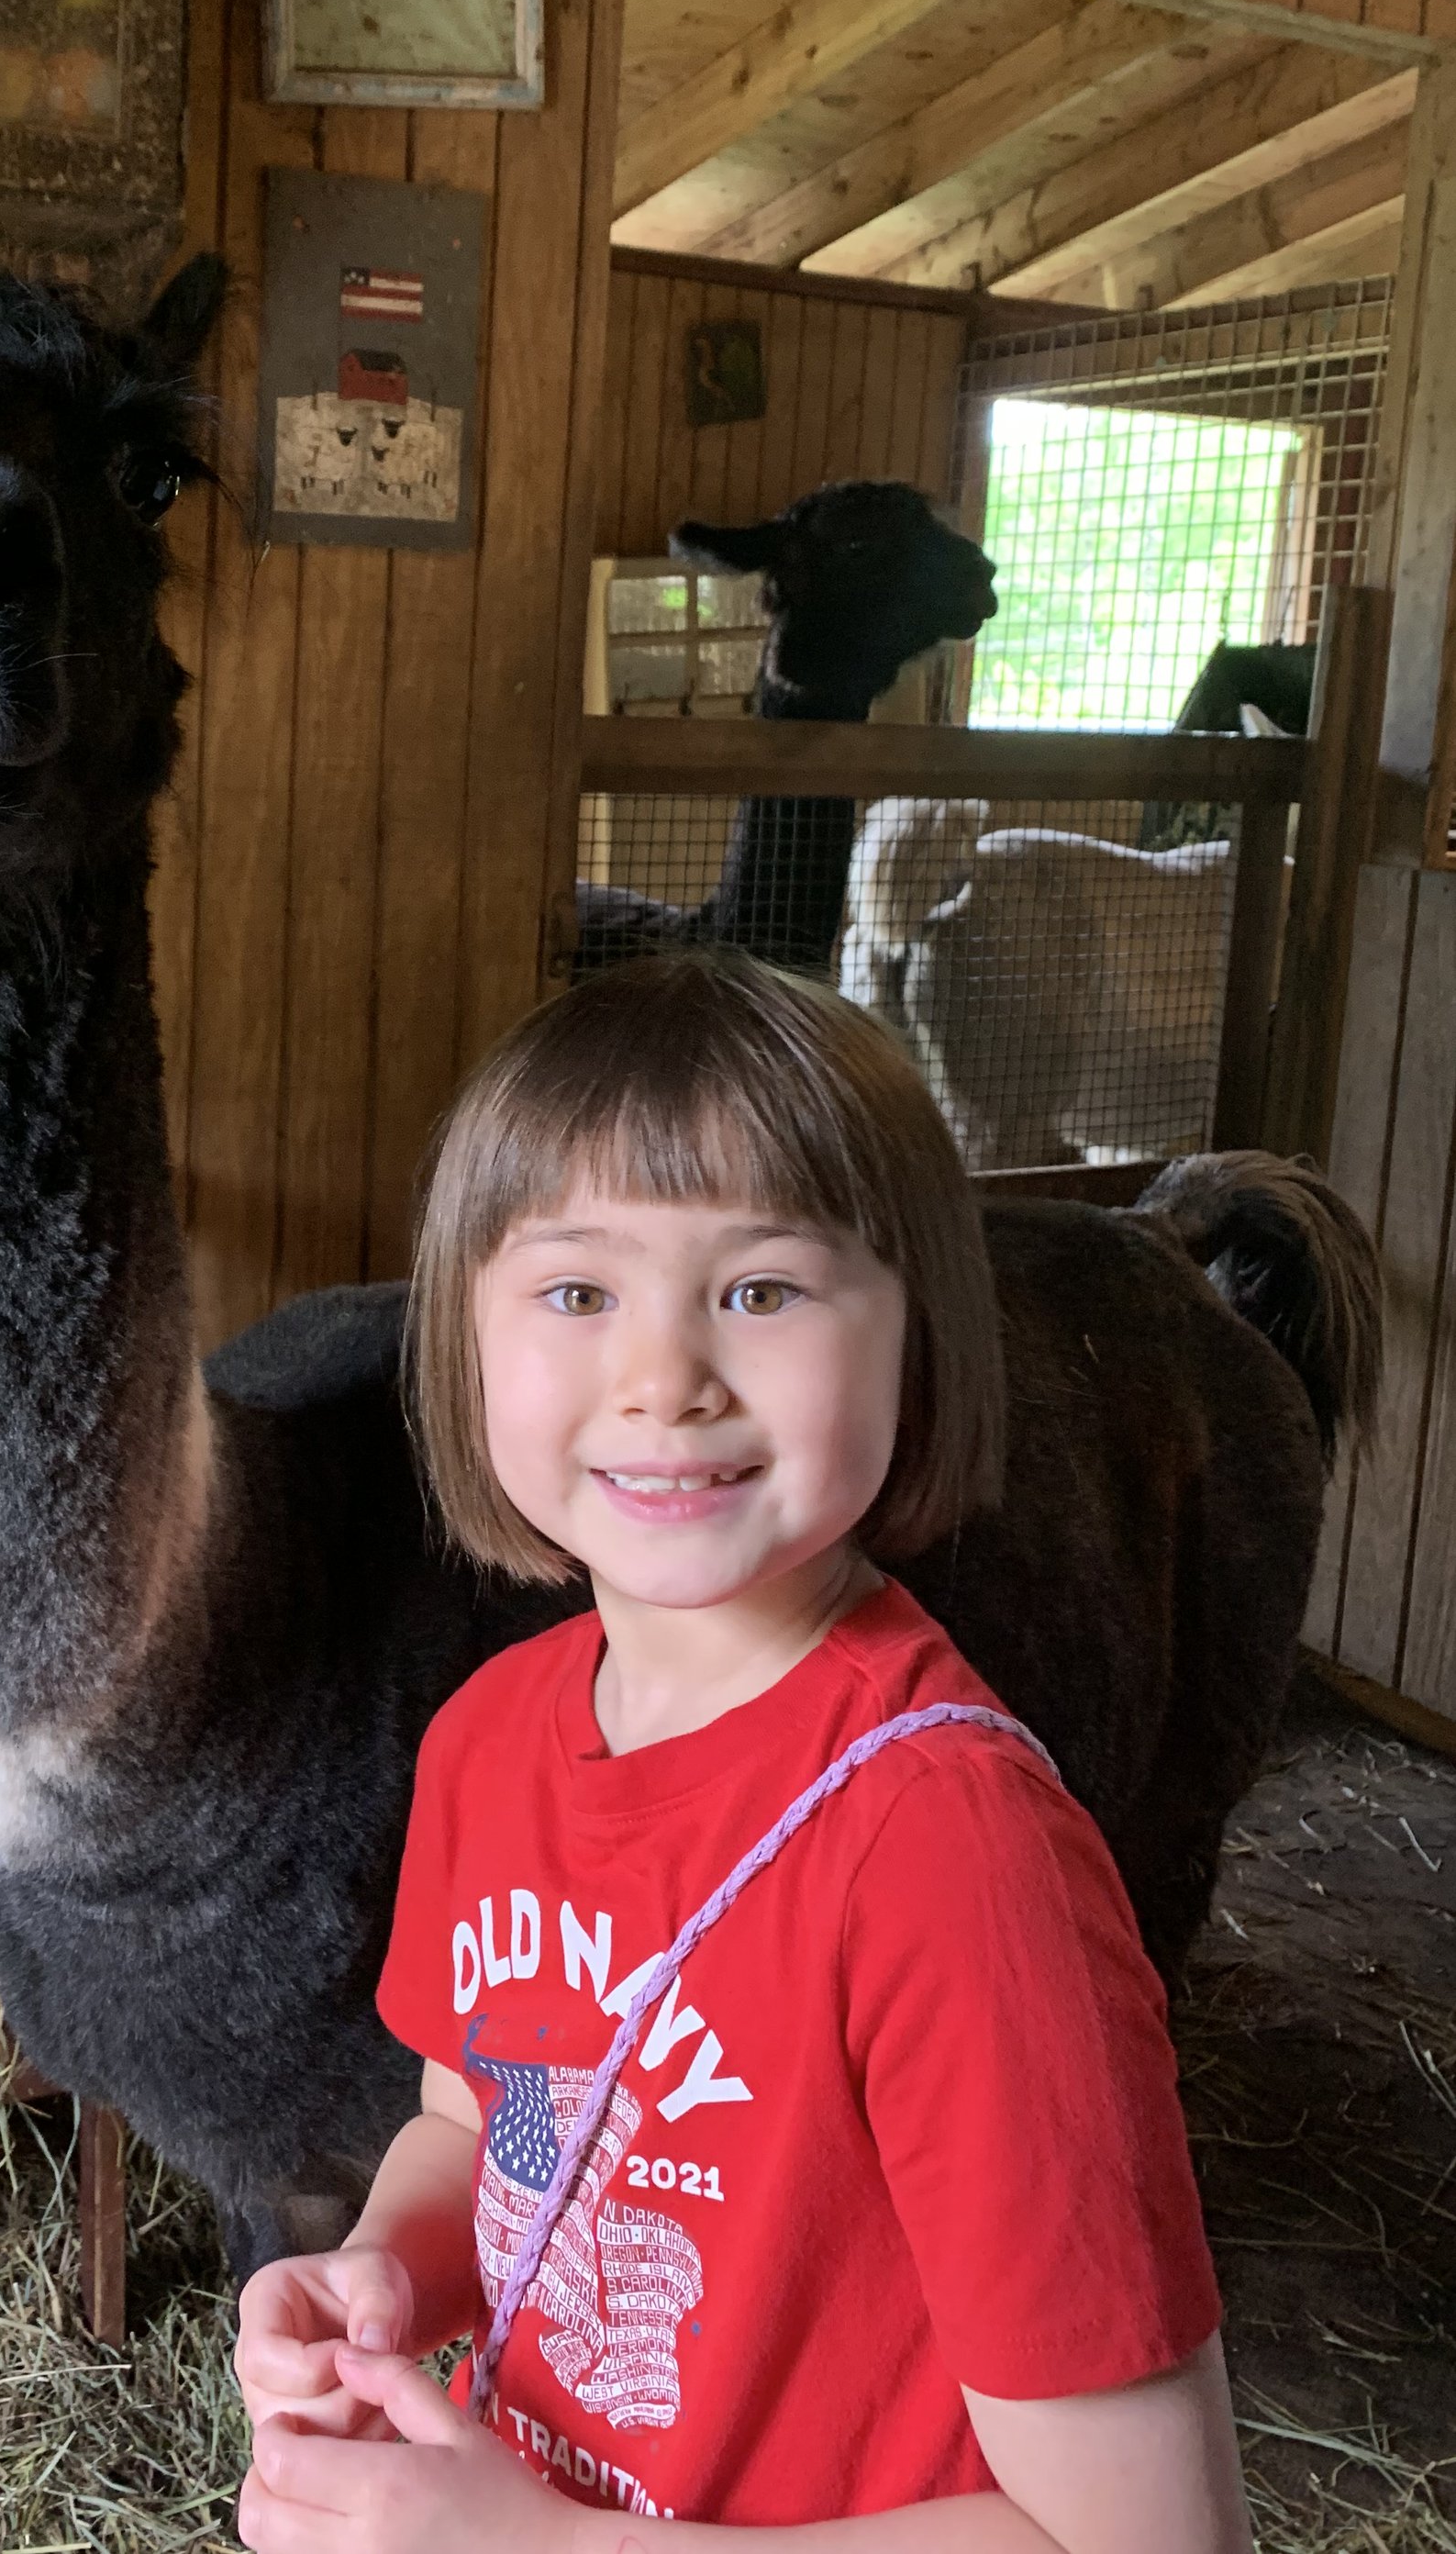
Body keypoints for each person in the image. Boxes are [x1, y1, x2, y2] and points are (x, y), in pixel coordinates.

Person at [232, 951, 1250, 2554]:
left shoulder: (951, 1852)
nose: (666, 1378)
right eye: (578, 1292)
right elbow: (477, 2126)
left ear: (919, 1332)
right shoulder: (491, 1740)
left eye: (761, 1288)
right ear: (466, 1340)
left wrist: (552, 2548)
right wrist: (388, 2265)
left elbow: (1145, 2541)